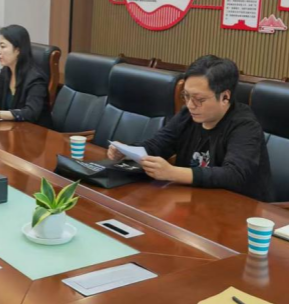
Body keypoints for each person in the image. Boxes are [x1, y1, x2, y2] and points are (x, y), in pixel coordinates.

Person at [108, 55, 274, 201]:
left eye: (199, 99)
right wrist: (128, 151)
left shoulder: (245, 125)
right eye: (186, 96)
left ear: (225, 97)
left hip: (239, 209)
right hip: (195, 200)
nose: (190, 105)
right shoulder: (188, 115)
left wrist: (172, 173)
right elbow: (159, 144)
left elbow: (234, 175)